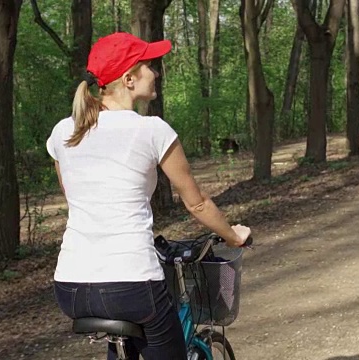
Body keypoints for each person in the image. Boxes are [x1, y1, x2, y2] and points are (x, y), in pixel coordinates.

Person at [45, 32, 251, 360]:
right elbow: (196, 202)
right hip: (131, 282)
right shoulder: (152, 130)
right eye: (149, 66)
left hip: (71, 287)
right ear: (129, 79)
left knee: (124, 343)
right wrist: (234, 236)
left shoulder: (63, 131)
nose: (156, 72)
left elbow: (75, 197)